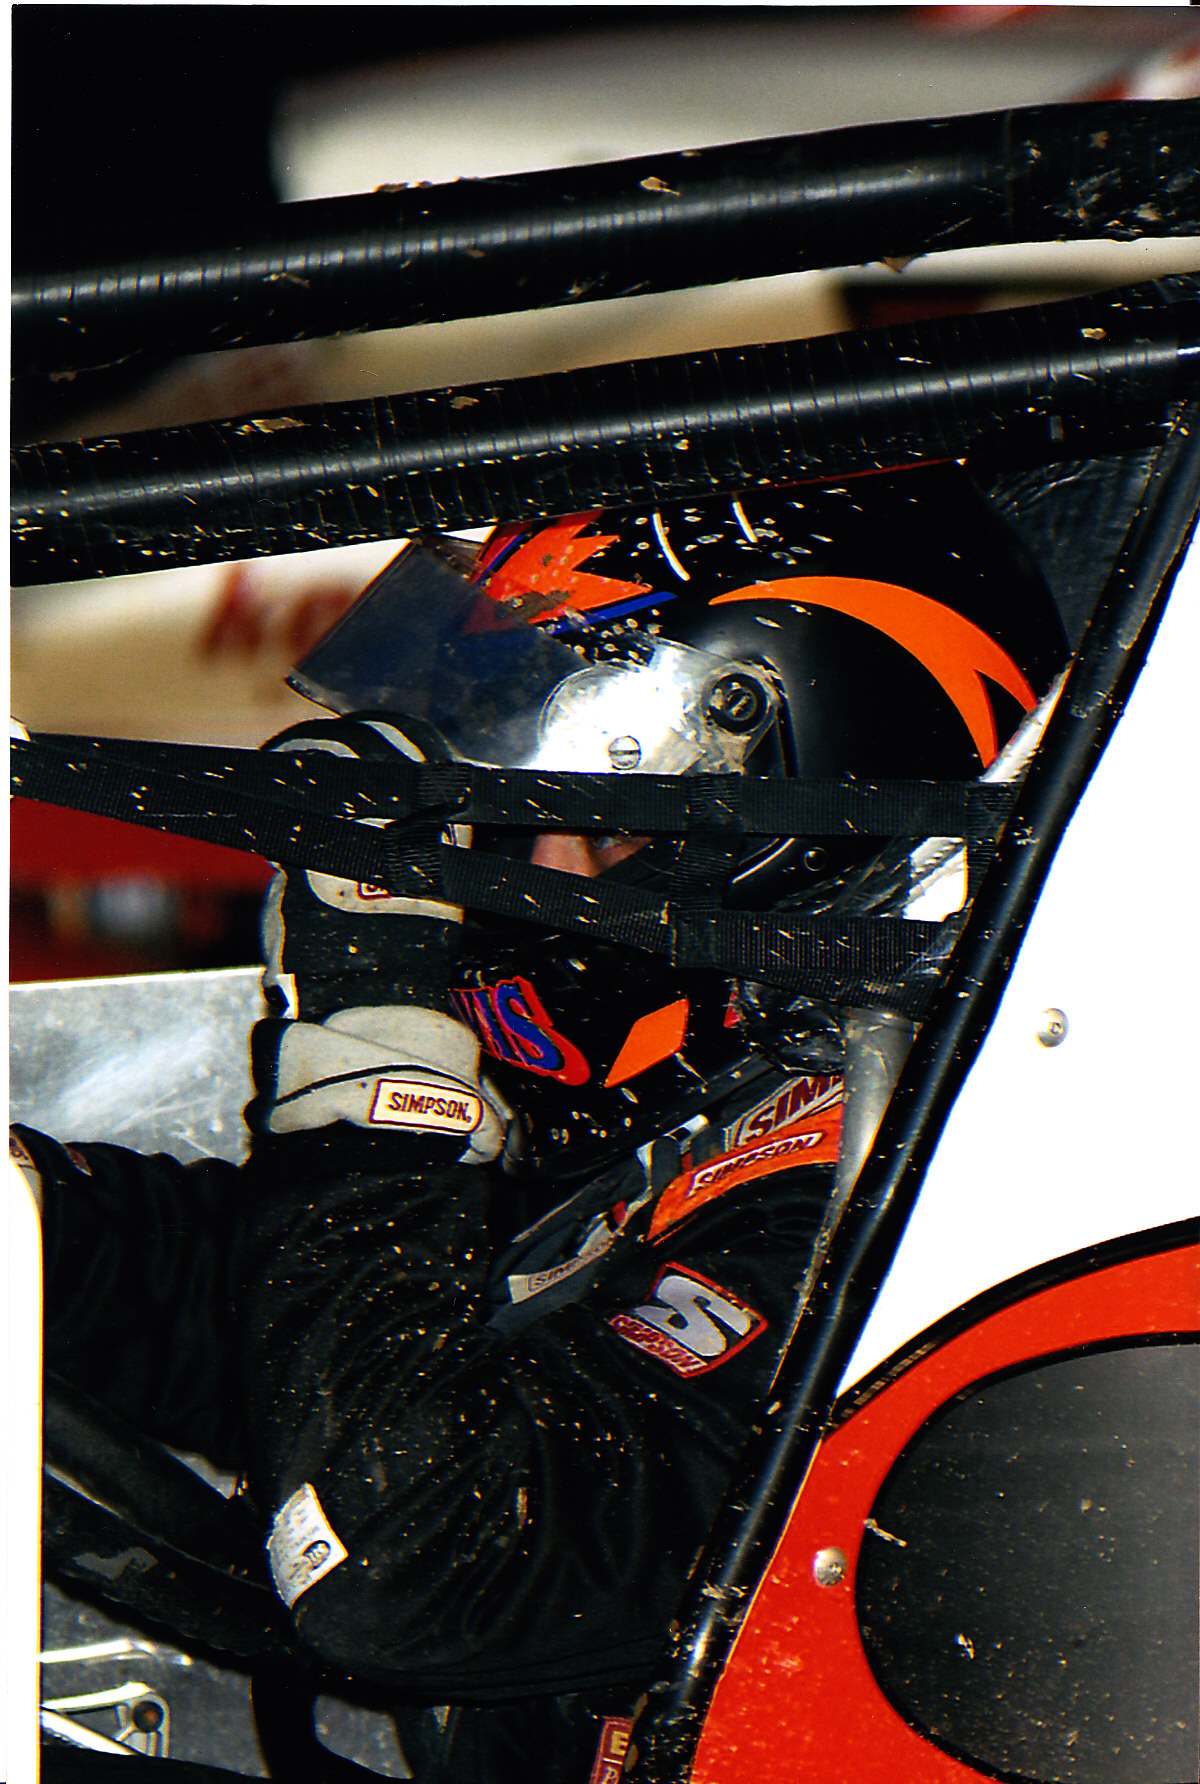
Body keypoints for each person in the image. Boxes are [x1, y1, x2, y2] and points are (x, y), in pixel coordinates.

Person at [21, 468, 1066, 1782]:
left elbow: (415, 1562)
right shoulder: (683, 1123)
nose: (489, 854)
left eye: (545, 800)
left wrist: (375, 1047)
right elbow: (281, 1313)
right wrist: (25, 1213)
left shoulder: (889, 1185)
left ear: (751, 787)